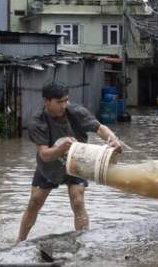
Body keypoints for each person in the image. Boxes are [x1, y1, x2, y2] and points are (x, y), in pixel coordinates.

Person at [16, 82, 122, 242]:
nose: (64, 105)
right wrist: (62, 148)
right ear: (47, 101)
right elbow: (44, 155)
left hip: (77, 162)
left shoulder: (76, 112)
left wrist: (112, 139)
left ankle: (83, 240)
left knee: (77, 200)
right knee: (35, 202)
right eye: (59, 102)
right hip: (49, 167)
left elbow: (100, 128)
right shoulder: (38, 122)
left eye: (66, 100)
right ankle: (19, 241)